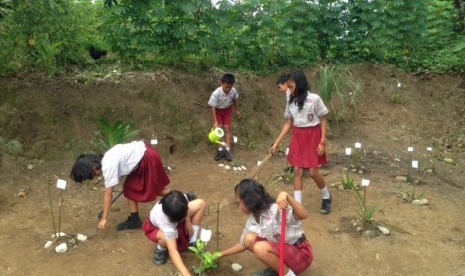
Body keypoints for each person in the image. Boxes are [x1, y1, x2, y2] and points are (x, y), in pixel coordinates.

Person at [70, 140, 171, 230]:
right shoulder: (107, 157)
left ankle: (178, 196)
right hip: (144, 154)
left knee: (151, 189)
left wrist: (104, 218)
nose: (95, 176)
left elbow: (108, 194)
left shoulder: (108, 165)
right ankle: (135, 220)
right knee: (130, 189)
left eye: (92, 175)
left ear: (93, 167)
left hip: (147, 157)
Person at [219, 179, 313, 276]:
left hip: (301, 255)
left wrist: (286, 196)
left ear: (248, 201)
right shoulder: (253, 220)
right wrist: (220, 254)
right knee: (249, 238)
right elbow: (244, 244)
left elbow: (304, 215)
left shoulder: (276, 208)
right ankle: (278, 269)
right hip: (285, 254)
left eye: (239, 202)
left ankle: (289, 274)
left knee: (259, 248)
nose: (239, 207)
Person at [271, 70, 332, 214]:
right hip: (298, 136)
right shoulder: (291, 101)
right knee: (297, 170)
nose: (289, 90)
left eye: (292, 87)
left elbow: (323, 119)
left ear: (301, 85)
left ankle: (327, 197)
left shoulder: (314, 99)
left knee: (312, 172)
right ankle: (297, 206)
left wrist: (322, 141)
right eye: (289, 87)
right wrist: (276, 143)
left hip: (313, 135)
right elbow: (289, 123)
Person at [143, 190, 206, 276]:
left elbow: (186, 207)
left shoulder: (178, 198)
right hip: (156, 228)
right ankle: (161, 249)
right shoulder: (165, 222)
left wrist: (187, 220)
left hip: (177, 217)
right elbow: (173, 251)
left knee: (200, 204)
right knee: (165, 239)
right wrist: (186, 273)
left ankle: (192, 241)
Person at [208, 73, 241, 161]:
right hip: (218, 112)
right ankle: (219, 150)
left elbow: (235, 99)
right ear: (221, 84)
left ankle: (227, 150)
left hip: (227, 111)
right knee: (218, 130)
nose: (228, 89)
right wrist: (215, 121)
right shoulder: (216, 93)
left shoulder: (233, 91)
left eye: (230, 87)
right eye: (226, 87)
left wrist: (237, 110)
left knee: (227, 129)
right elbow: (213, 107)